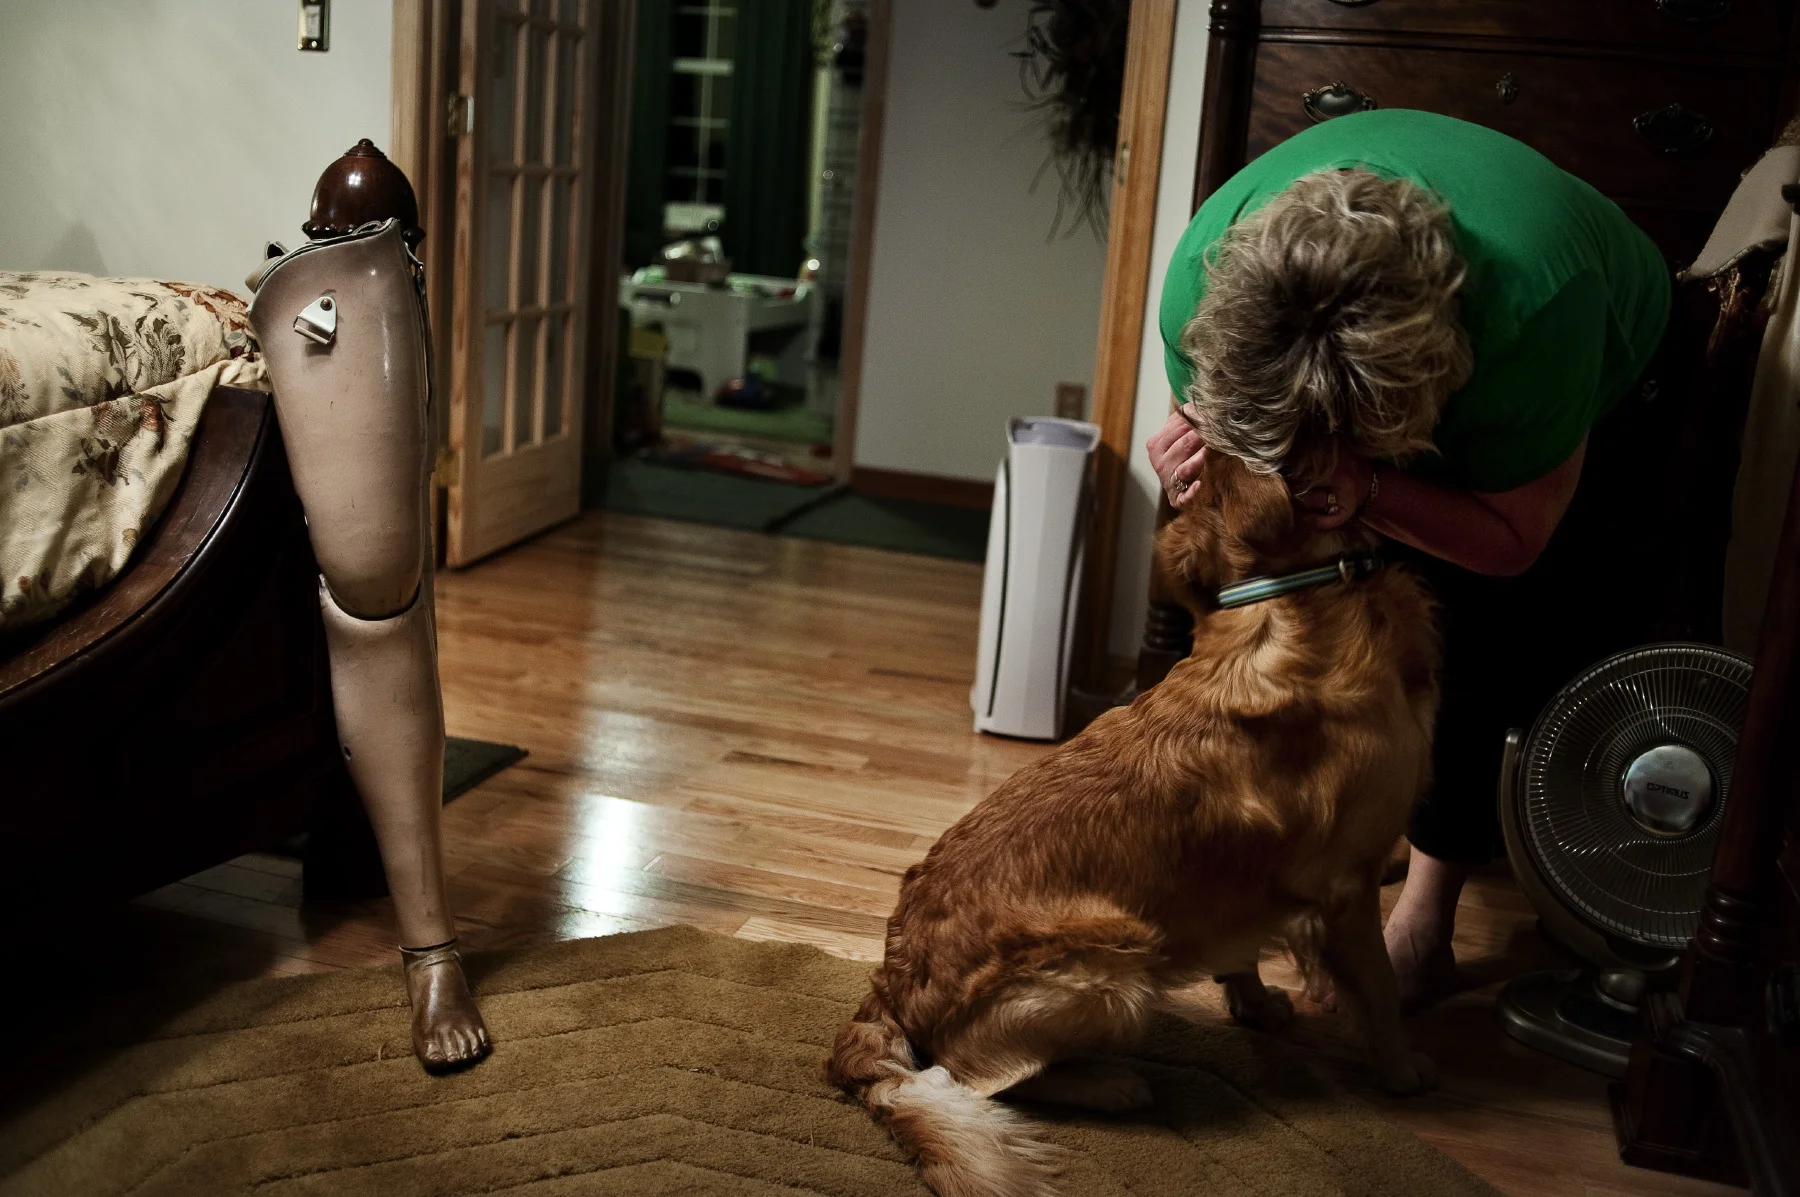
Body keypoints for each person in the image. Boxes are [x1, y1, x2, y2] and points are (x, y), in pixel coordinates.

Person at [1145, 109, 1671, 1008]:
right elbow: (1205, 429)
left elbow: (1513, 542)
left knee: (1479, 619)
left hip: (1582, 331)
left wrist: (1375, 491)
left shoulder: (1539, 314)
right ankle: (1350, 819)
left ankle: (1429, 905)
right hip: (1377, 339)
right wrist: (1185, 452)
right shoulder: (1204, 281)